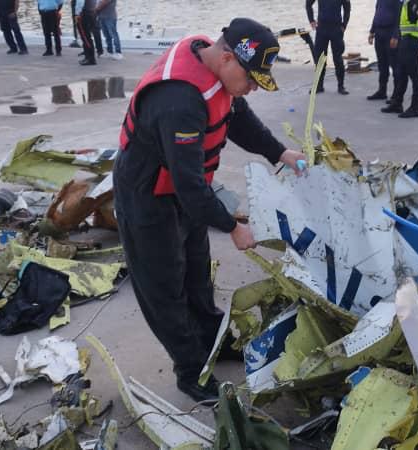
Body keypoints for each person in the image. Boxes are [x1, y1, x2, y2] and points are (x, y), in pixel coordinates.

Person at [112, 18, 307, 402]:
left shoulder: (210, 58)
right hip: (147, 196)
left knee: (197, 273)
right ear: (228, 58)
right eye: (251, 79)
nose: (251, 88)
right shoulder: (179, 101)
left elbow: (236, 115)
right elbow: (188, 186)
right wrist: (232, 227)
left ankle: (213, 341)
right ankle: (191, 371)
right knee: (164, 287)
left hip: (185, 190)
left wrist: (278, 152)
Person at [381, 0, 418, 118]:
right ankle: (397, 103)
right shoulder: (406, 2)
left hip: (412, 42)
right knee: (401, 74)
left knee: (414, 76)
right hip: (405, 41)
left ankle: (415, 107)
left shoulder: (416, 2)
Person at [306, 0, 351, 94]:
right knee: (320, 58)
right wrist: (311, 20)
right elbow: (308, 4)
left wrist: (344, 24)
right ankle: (319, 86)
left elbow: (347, 8)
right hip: (322, 28)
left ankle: (341, 86)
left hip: (336, 28)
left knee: (337, 58)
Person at [367, 0, 401, 101]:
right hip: (379, 32)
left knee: (394, 65)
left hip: (390, 33)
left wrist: (396, 35)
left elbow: (399, 17)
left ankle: (396, 94)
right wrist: (372, 32)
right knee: (382, 65)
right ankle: (382, 91)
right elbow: (376, 14)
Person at [74, 0, 98, 65]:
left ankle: (90, 58)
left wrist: (77, 14)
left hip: (84, 14)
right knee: (87, 37)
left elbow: (80, 3)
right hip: (90, 12)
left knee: (85, 37)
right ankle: (88, 57)